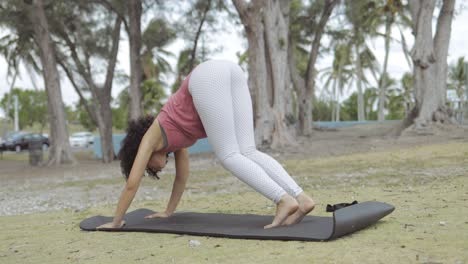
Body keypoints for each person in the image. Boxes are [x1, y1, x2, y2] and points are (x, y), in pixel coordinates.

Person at [97, 59, 315, 230]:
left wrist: (116, 222)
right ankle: (301, 198)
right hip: (231, 71)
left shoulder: (151, 137)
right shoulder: (175, 143)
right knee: (247, 151)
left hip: (207, 77)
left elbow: (132, 184)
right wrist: (168, 212)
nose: (156, 168)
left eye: (148, 167)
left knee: (229, 156)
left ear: (138, 154)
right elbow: (181, 178)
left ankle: (283, 200)